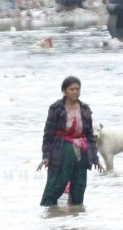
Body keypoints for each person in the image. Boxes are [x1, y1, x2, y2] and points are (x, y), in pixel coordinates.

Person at [38, 76, 103, 206]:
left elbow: (89, 136)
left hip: (81, 152)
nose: (75, 92)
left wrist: (95, 158)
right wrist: (46, 156)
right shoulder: (56, 108)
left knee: (79, 186)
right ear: (64, 91)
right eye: (71, 89)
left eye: (77, 89)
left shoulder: (85, 109)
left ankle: (76, 217)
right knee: (56, 185)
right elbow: (48, 134)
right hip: (61, 150)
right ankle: (48, 215)